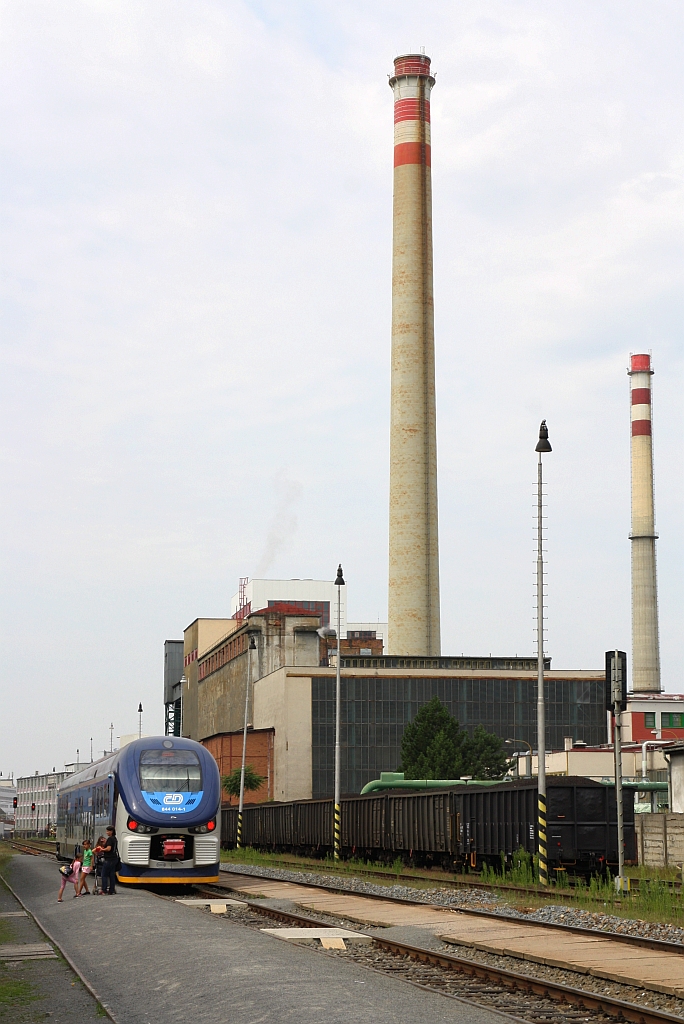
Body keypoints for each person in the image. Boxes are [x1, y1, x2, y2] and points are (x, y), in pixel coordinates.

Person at [100, 826, 118, 895]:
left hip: (109, 859)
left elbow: (109, 849)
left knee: (104, 875)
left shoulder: (110, 839)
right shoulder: (115, 839)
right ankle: (112, 890)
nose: (106, 832)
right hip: (114, 859)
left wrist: (102, 849)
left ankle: (104, 890)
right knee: (111, 875)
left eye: (108, 831)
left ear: (111, 831)